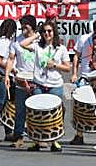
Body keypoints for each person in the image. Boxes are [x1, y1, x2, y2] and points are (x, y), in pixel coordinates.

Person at [18, 21, 70, 152]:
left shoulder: (61, 48)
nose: (47, 33)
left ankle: (54, 141)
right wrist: (36, 35)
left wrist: (54, 65)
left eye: (49, 31)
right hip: (39, 83)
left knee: (54, 113)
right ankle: (36, 140)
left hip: (54, 84)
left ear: (54, 33)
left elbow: (67, 67)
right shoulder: (37, 46)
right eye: (44, 31)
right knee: (37, 112)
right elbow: (22, 44)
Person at [69, 19, 96, 147]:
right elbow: (76, 55)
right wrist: (74, 73)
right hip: (86, 77)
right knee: (80, 106)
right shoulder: (84, 39)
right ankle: (79, 135)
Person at [3, 15, 38, 148]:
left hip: (36, 80)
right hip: (21, 79)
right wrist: (7, 75)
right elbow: (11, 59)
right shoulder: (16, 41)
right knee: (20, 110)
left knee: (36, 110)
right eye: (22, 25)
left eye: (26, 25)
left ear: (32, 26)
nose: (23, 27)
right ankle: (19, 137)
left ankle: (37, 138)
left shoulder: (39, 40)